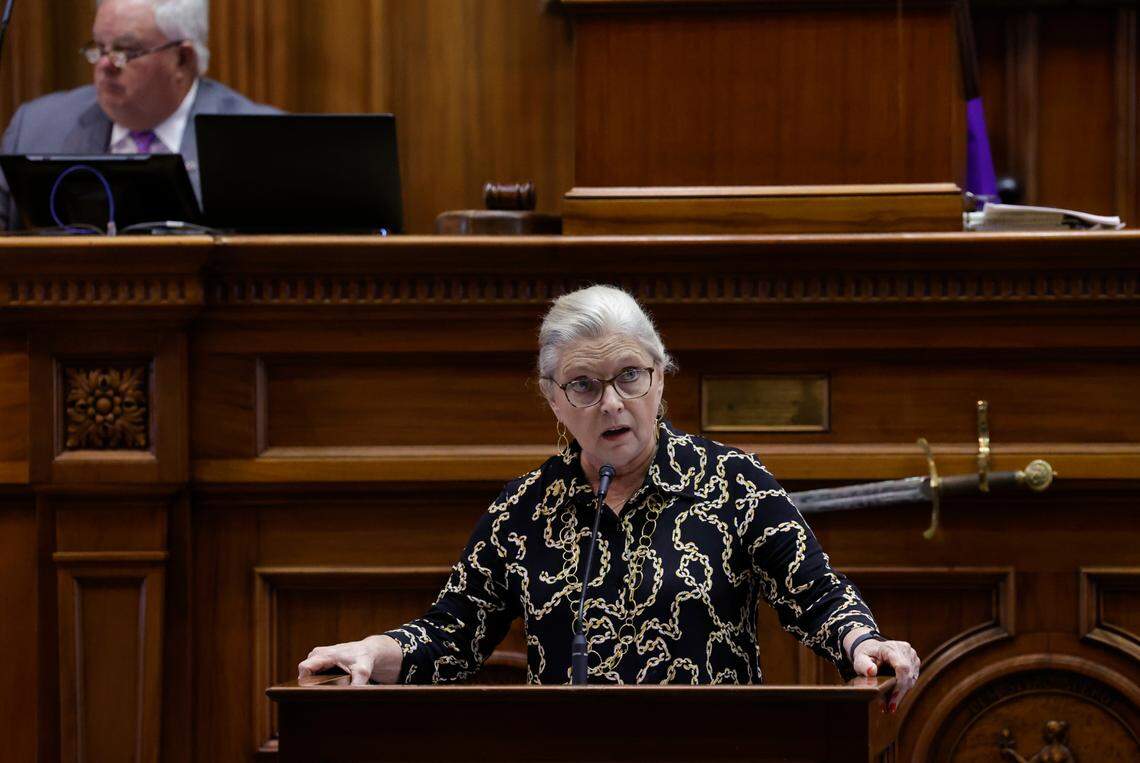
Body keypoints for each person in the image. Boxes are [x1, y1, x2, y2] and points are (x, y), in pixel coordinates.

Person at [299, 285, 921, 710]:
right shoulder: (524, 511)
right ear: (552, 399)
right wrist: (369, 652)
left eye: (629, 375)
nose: (613, 403)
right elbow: (451, 635)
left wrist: (865, 645)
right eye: (584, 385)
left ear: (660, 375)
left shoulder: (733, 482)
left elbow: (813, 593)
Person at [0, 0, 279, 229]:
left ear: (183, 60)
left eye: (126, 51)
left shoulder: (260, 144)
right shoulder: (36, 129)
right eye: (98, 47)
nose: (105, 65)